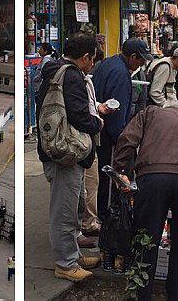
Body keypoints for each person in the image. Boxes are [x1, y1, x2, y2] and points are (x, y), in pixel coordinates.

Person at [112, 104, 178, 301]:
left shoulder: (149, 113)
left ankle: (141, 293)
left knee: (146, 237)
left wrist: (121, 172)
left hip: (153, 177)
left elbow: (127, 140)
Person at [36, 33, 113, 282]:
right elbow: (80, 116)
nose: (93, 63)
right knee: (64, 211)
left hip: (61, 152)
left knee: (73, 207)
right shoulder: (71, 76)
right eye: (93, 58)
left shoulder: (55, 71)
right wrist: (98, 123)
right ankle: (65, 264)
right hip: (65, 155)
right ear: (86, 57)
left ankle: (73, 254)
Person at [91, 38, 152, 234]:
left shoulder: (108, 63)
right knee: (109, 176)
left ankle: (99, 213)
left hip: (100, 129)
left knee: (100, 175)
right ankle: (105, 215)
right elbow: (117, 109)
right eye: (141, 60)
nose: (142, 64)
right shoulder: (120, 73)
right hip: (109, 133)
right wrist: (122, 139)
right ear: (133, 57)